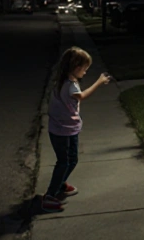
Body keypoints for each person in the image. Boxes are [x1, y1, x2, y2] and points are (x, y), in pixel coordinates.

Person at [42, 46, 112, 214]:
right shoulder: (70, 85)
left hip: (65, 128)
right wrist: (99, 82)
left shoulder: (61, 81)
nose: (85, 72)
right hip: (62, 130)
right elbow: (82, 96)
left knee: (71, 159)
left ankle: (61, 183)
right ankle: (49, 196)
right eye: (84, 68)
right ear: (75, 67)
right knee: (64, 161)